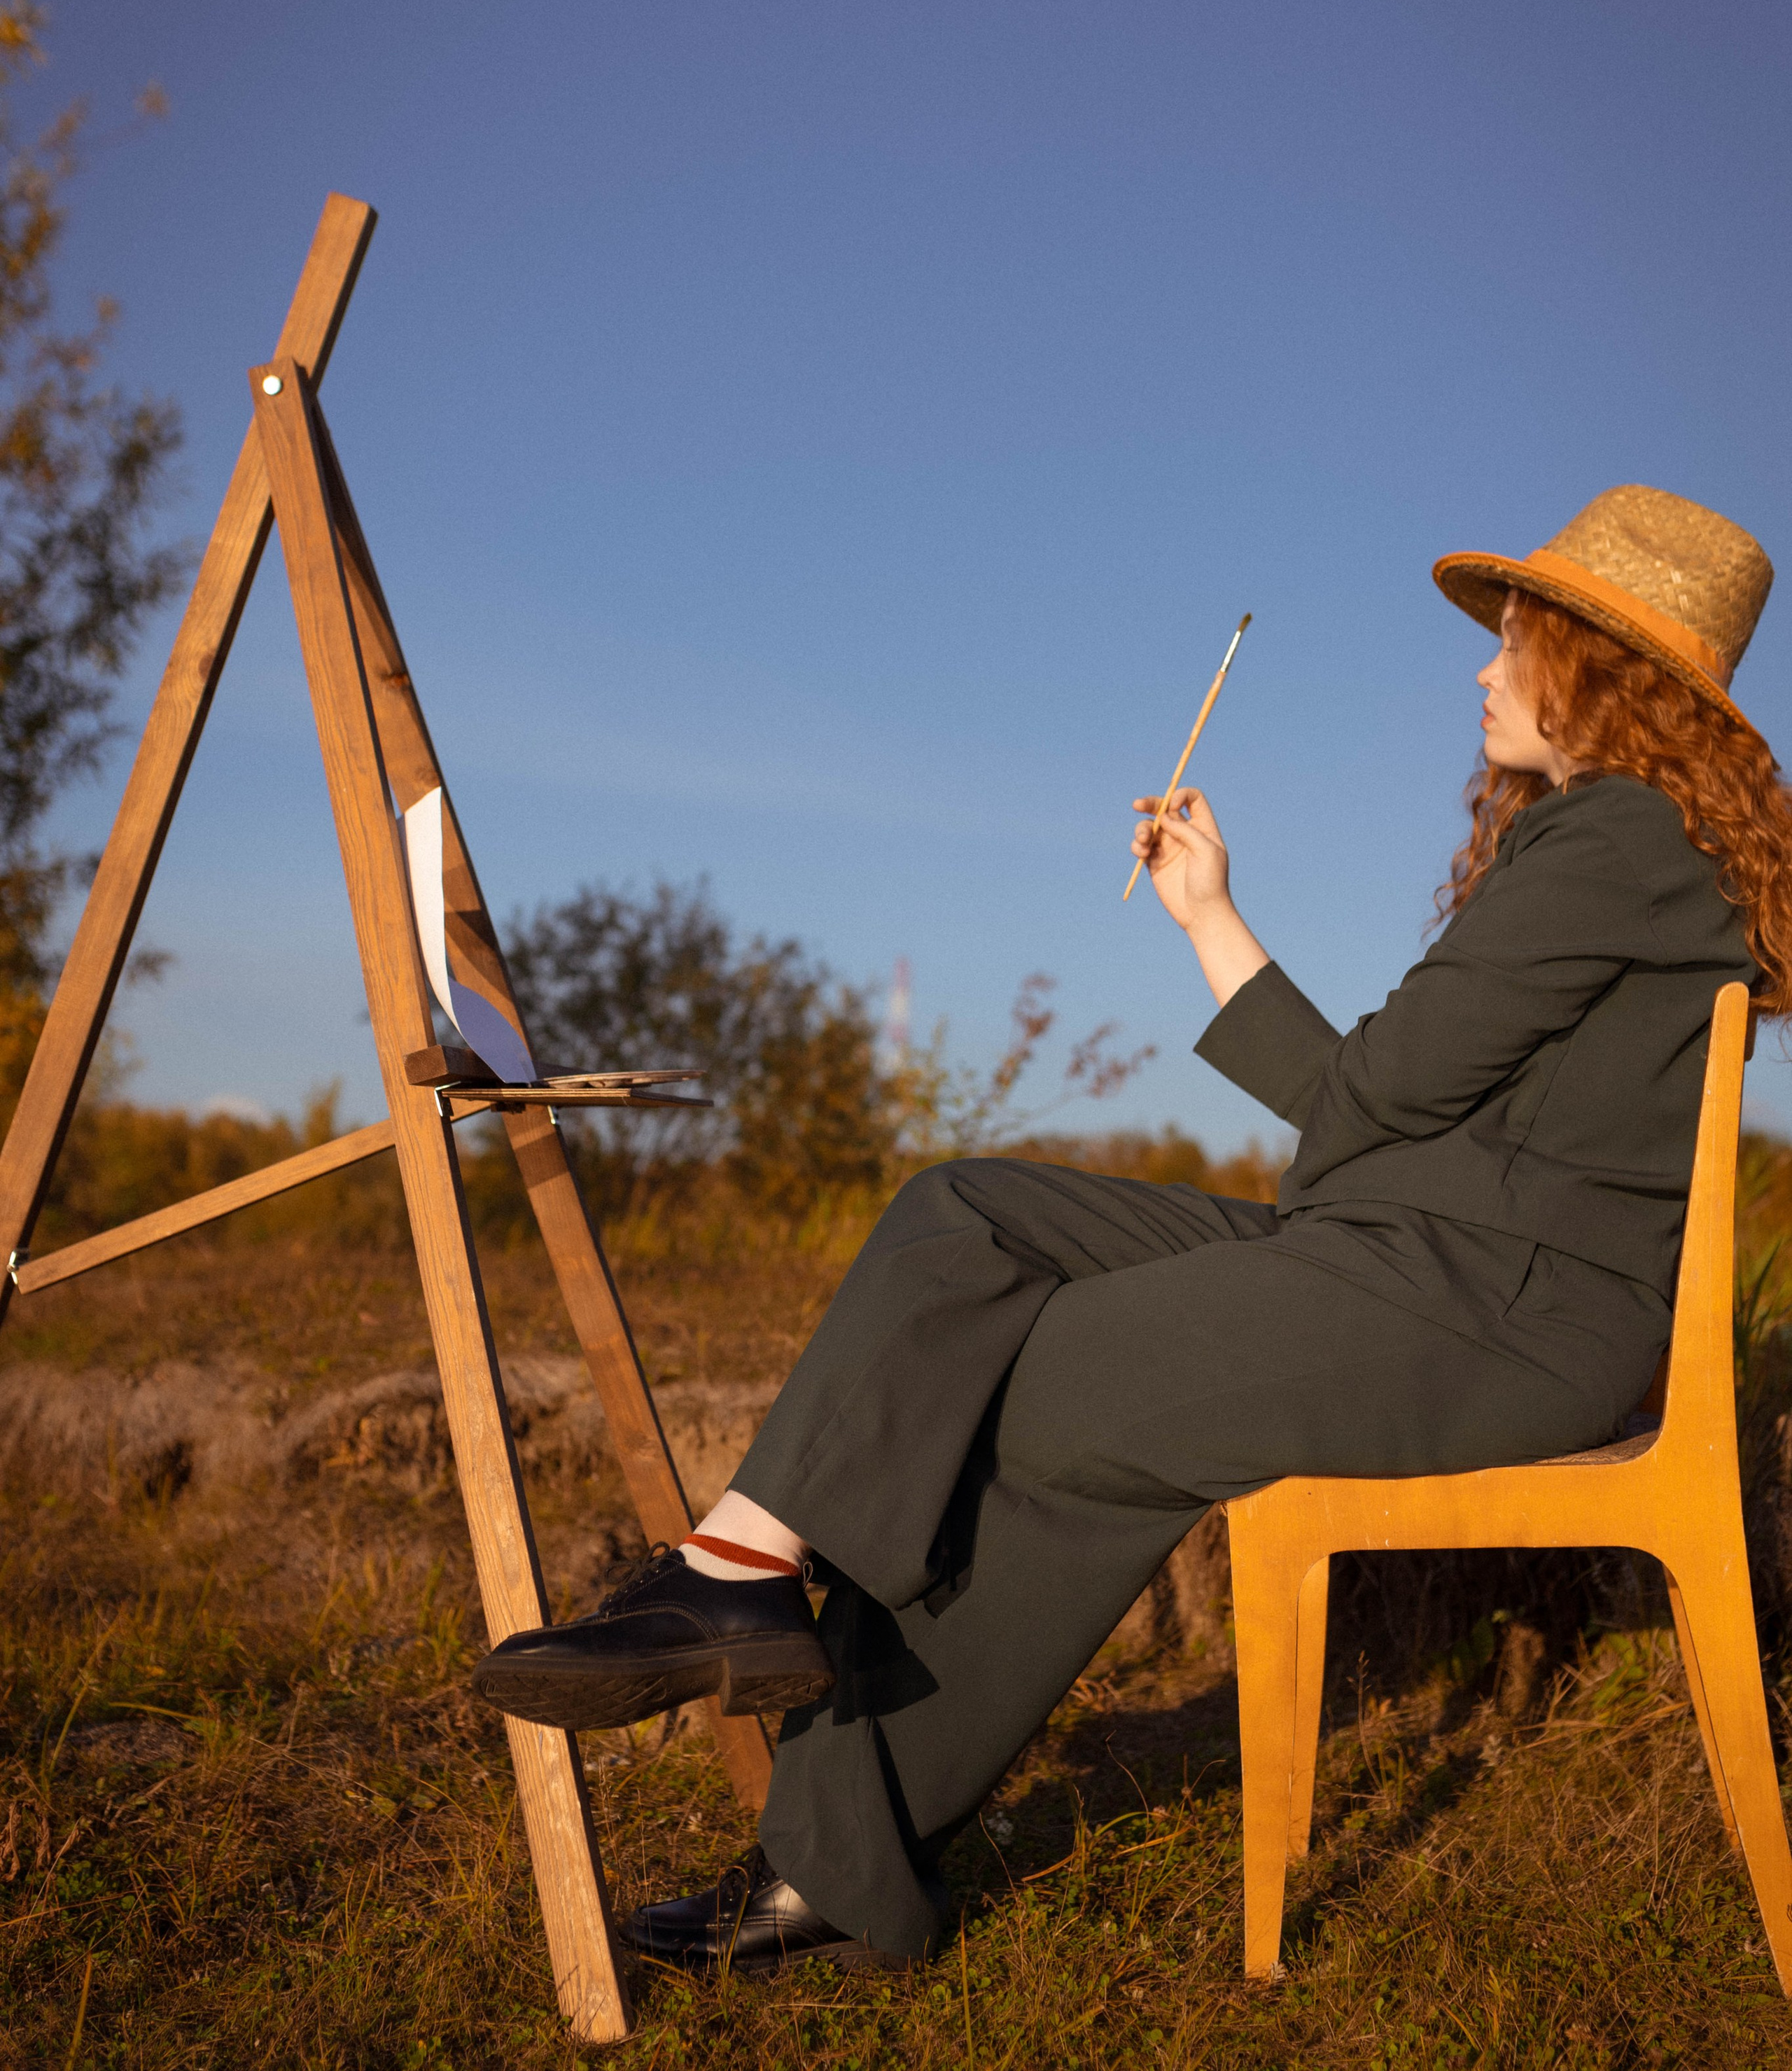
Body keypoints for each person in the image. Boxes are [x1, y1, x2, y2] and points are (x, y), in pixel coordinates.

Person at [475, 484, 1792, 1976]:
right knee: (960, 1217)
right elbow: (1381, 1116)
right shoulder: (1614, 841)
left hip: (1495, 1305)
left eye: (1510, 643)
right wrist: (1208, 916)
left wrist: (1214, 933)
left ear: (1600, 670)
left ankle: (833, 1860)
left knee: (1053, 1381)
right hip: (1418, 1255)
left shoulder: (1613, 837)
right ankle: (743, 1576)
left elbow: (1365, 1103)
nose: (1480, 673)